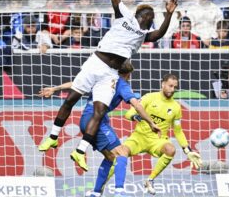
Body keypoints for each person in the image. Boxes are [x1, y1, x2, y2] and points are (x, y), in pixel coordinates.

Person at [38, 0, 177, 173]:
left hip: (110, 74)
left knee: (100, 110)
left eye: (152, 16)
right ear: (140, 13)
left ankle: (80, 151)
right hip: (95, 62)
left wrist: (168, 14)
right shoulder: (124, 16)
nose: (150, 15)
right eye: (148, 13)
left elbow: (160, 33)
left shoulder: (143, 35)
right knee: (71, 100)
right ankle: (53, 136)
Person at [39, 61, 160, 197]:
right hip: (97, 121)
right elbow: (136, 105)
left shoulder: (103, 77)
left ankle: (96, 192)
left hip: (85, 120)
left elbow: (76, 84)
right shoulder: (123, 85)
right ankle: (119, 191)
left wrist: (55, 89)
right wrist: (150, 122)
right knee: (121, 153)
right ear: (129, 74)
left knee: (110, 157)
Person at [88, 74, 203, 196]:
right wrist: (136, 116)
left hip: (157, 141)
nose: (172, 89)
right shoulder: (149, 97)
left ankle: (150, 180)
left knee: (170, 149)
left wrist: (187, 150)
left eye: (175, 87)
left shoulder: (176, 107)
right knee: (119, 153)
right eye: (170, 86)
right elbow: (128, 114)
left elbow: (178, 131)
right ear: (163, 84)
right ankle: (99, 188)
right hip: (139, 137)